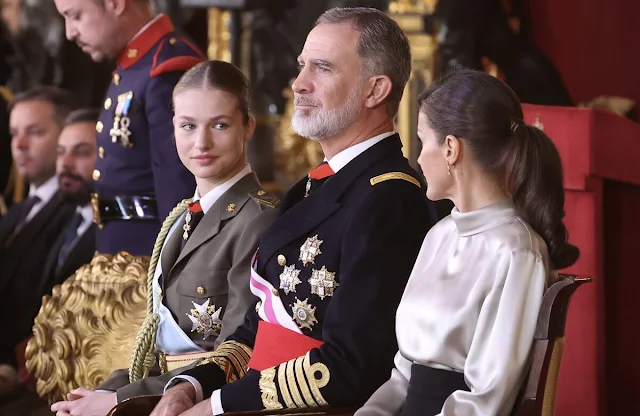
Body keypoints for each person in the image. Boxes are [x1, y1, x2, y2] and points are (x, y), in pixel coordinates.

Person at [146, 7, 439, 416]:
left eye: (322, 68)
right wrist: (192, 386)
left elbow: (352, 365)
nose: (299, 84)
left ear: (375, 90)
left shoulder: (388, 200)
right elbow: (255, 328)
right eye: (302, 66)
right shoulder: (313, 187)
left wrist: (219, 406)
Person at [50, 60, 281, 416]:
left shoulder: (257, 221)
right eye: (188, 126)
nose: (201, 142)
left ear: (248, 127)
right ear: (172, 129)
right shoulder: (180, 219)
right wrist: (105, 392)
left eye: (219, 125)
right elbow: (158, 354)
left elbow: (236, 357)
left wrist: (117, 401)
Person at [354, 69, 580, 416]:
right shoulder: (438, 235)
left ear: (450, 149)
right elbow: (403, 373)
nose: (417, 157)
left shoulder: (516, 251)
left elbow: (486, 399)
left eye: (421, 140)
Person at [53, 0, 205, 255]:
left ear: (115, 4)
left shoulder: (166, 66)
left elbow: (179, 189)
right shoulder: (137, 65)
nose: (70, 33)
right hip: (120, 253)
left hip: (148, 256)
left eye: (75, 15)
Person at [0, 86, 77, 396]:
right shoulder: (15, 213)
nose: (19, 144)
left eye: (34, 132)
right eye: (14, 133)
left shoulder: (77, 213)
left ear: (66, 137)